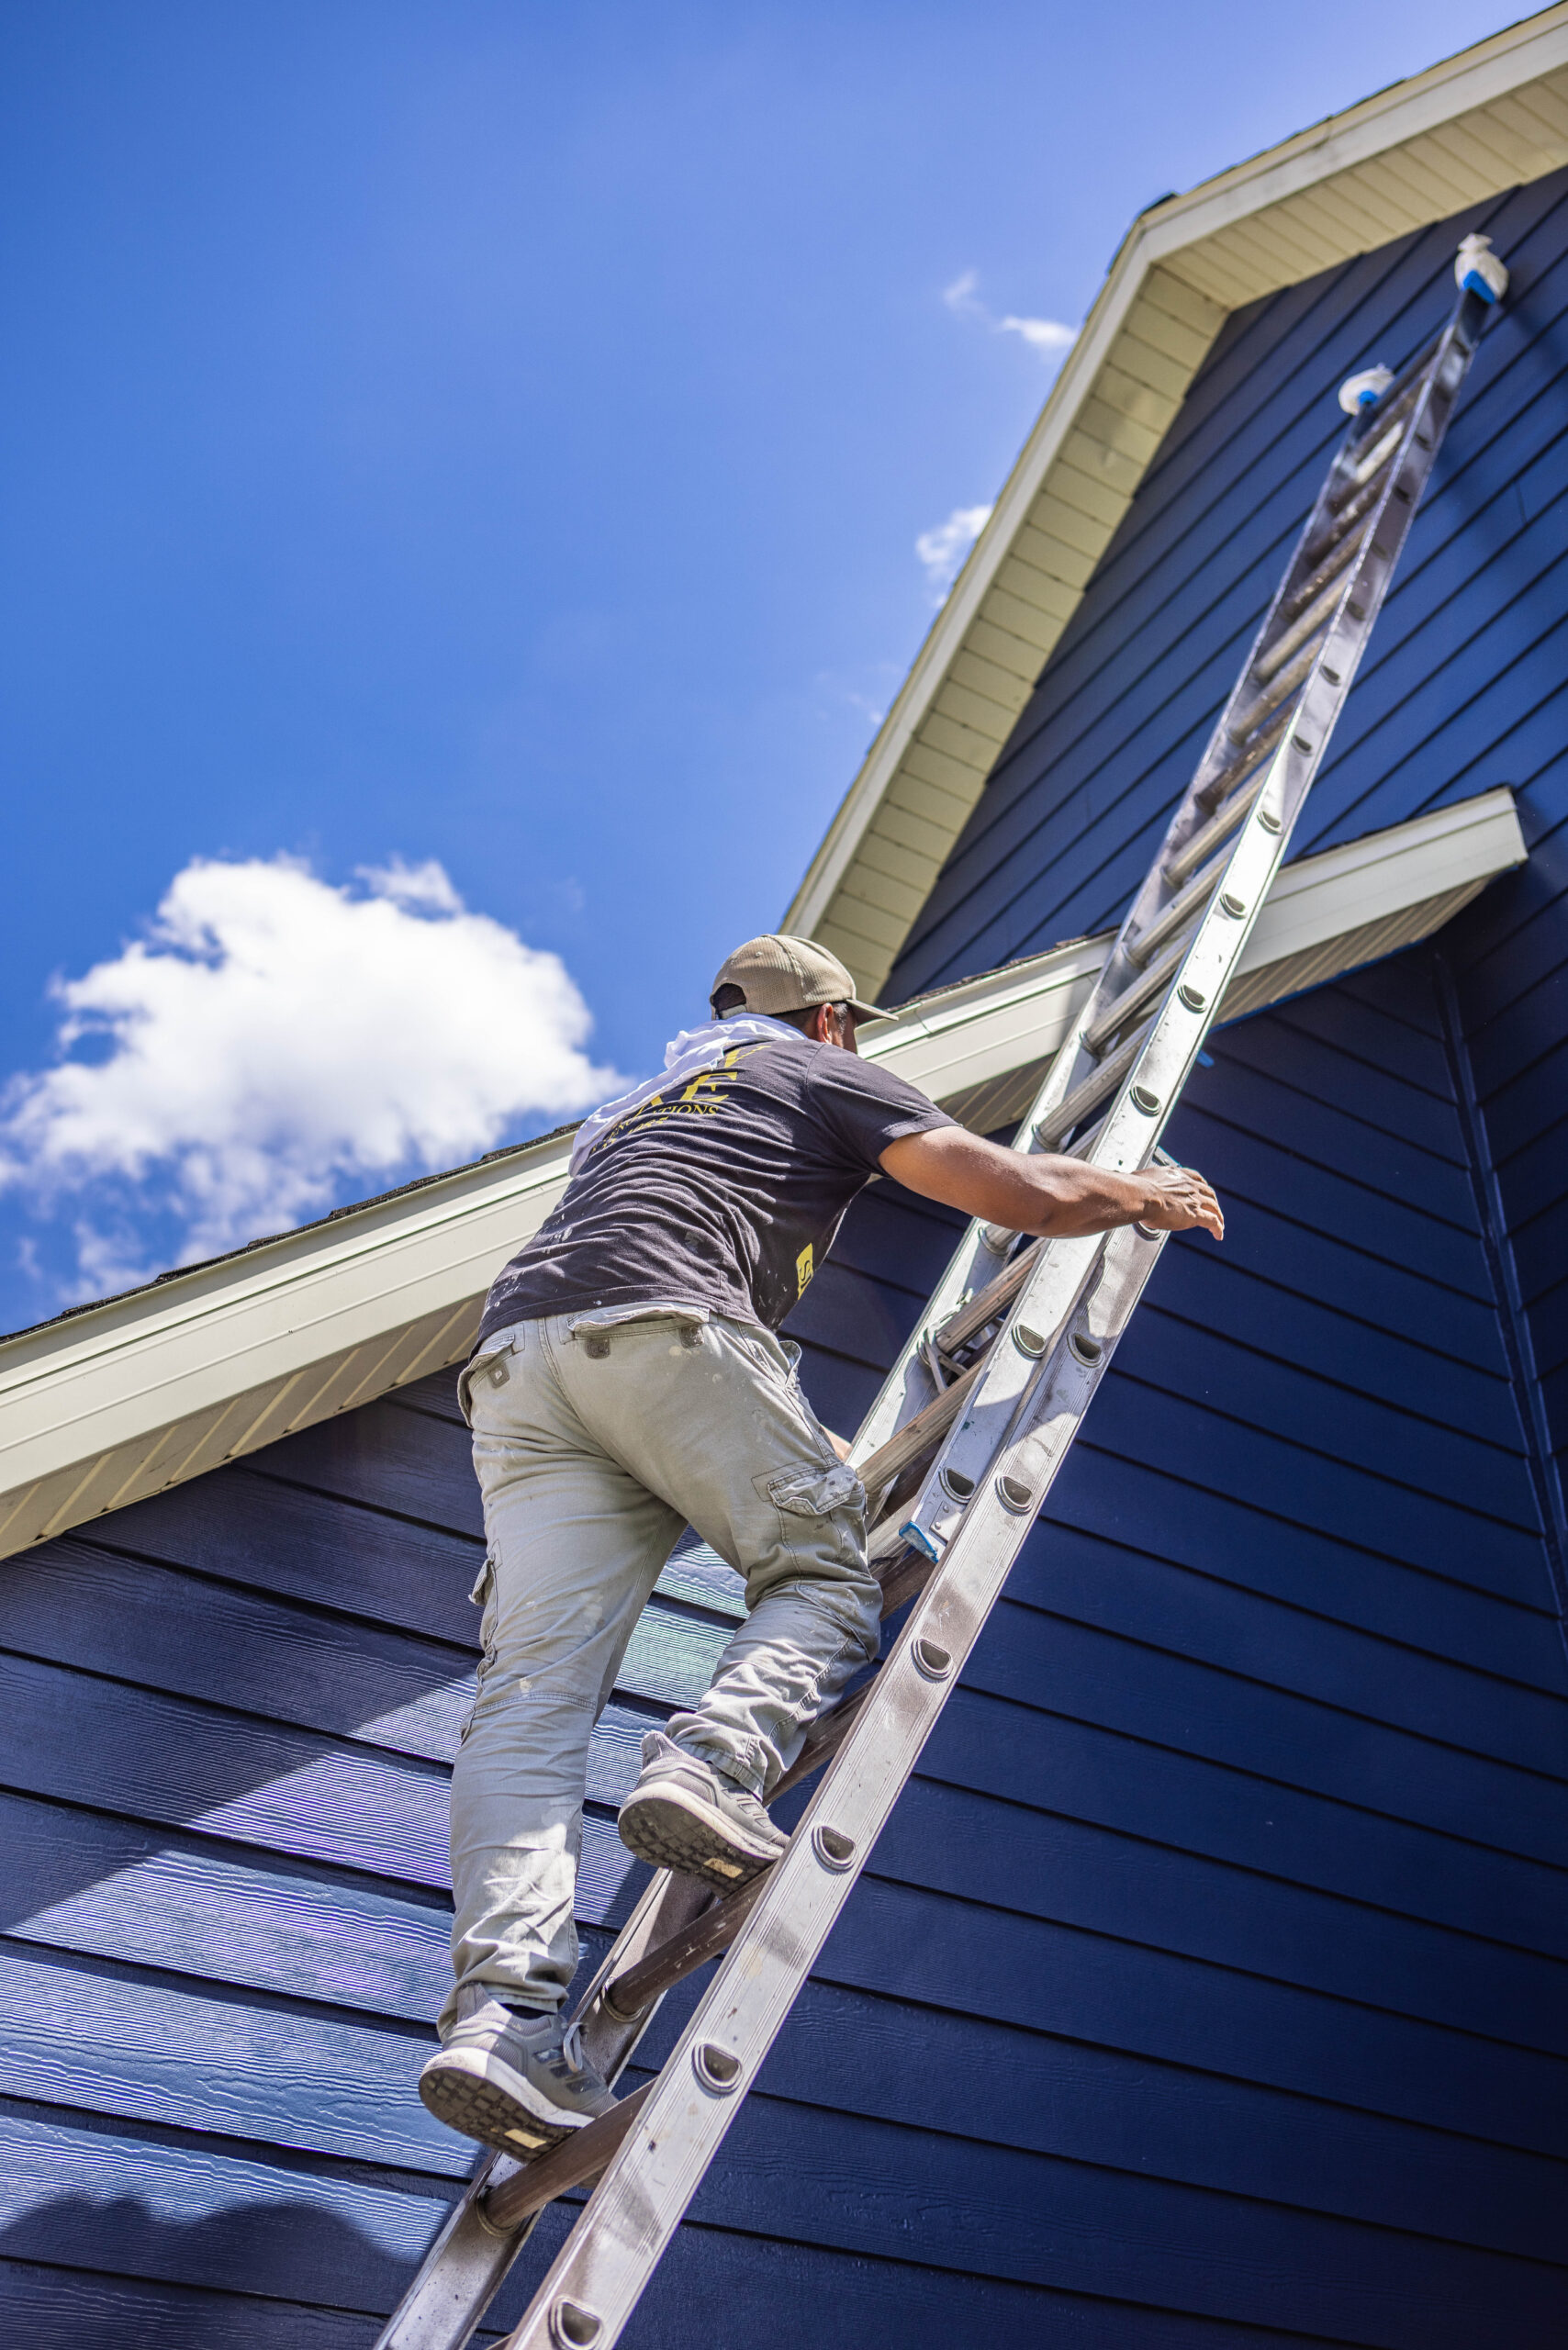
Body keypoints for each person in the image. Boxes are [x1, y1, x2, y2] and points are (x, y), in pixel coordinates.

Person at [418, 932, 1223, 2156]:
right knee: (824, 1578)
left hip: (520, 1366)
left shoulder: (630, 1113)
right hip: (668, 1325)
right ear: (834, 1023)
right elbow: (1020, 1197)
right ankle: (715, 1761)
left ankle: (501, 2023)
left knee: (528, 1701)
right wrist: (1145, 1195)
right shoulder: (819, 1075)